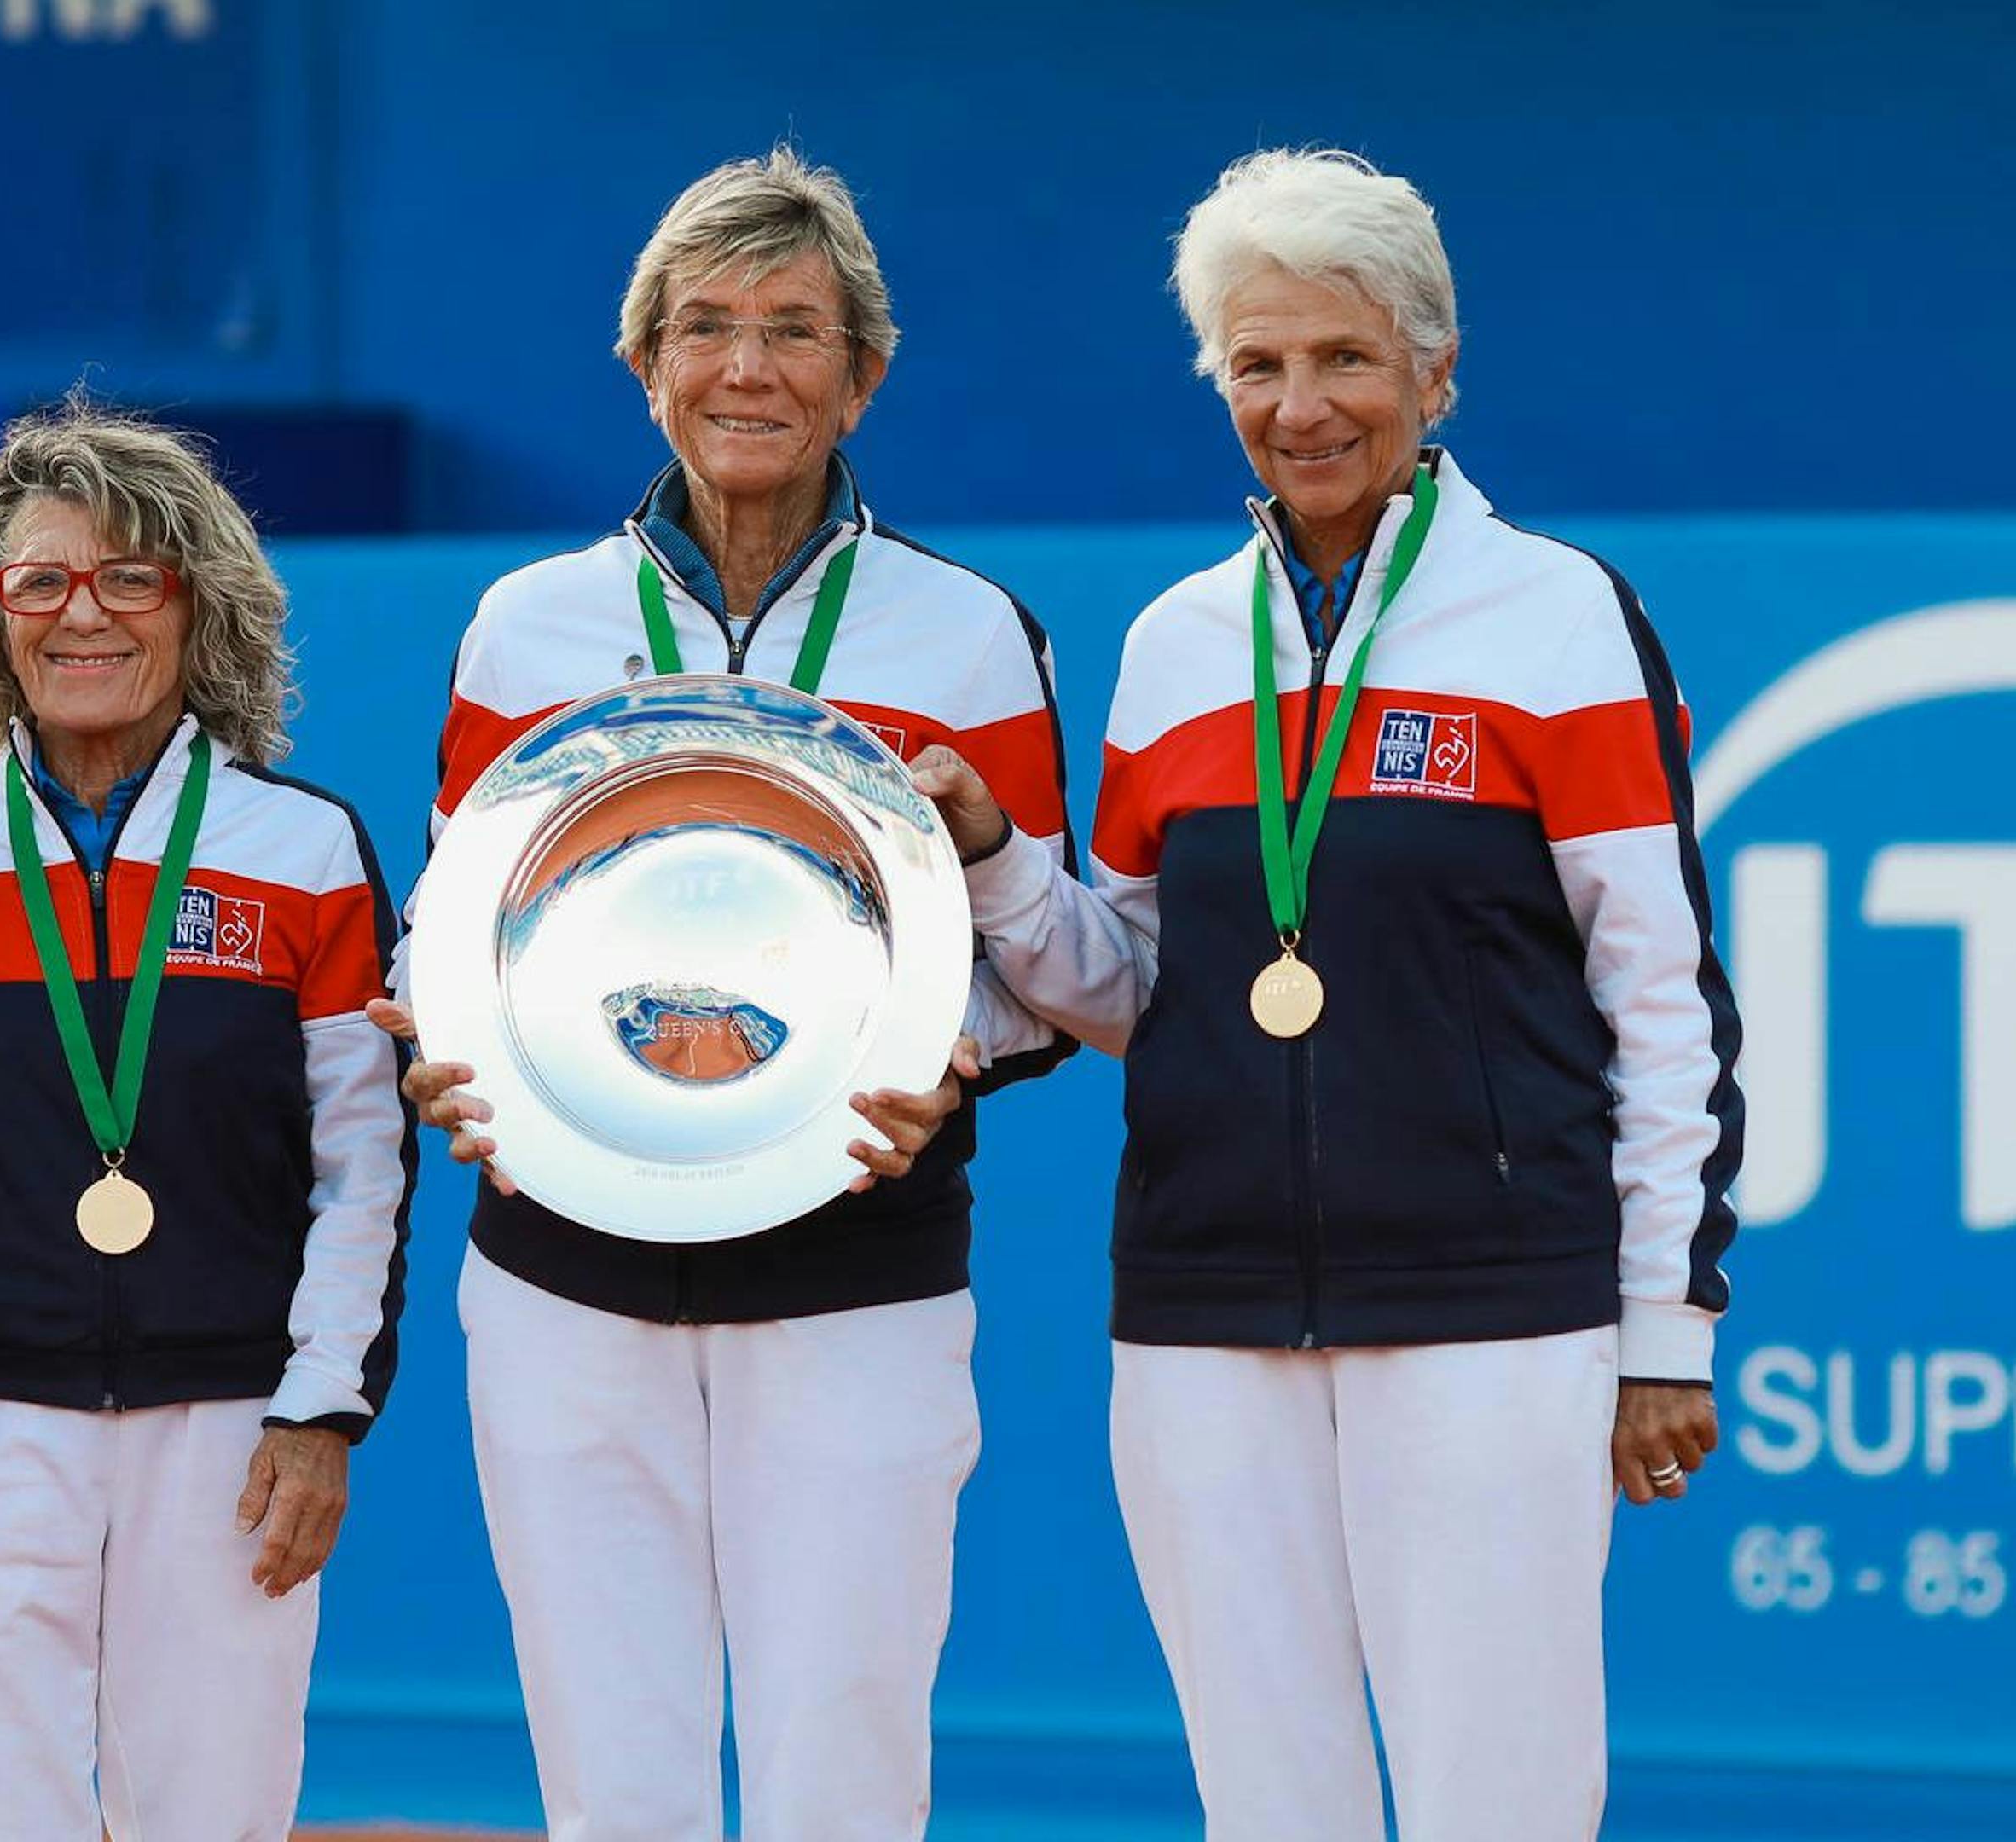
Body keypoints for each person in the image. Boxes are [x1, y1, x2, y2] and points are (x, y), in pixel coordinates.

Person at [914, 148, 1741, 1842]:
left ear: (1435, 373)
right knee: (1266, 1803)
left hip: (1490, 1305)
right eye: (1259, 363)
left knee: (1492, 1800)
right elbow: (1139, 987)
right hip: (1207, 1314)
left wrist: (1665, 1327)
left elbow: (1664, 996)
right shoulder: (1174, 645)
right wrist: (999, 854)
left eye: (1346, 358)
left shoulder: (1559, 617)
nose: (1303, 405)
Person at [373, 147, 1075, 1839]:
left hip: (860, 1275)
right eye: (705, 327)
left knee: (843, 1759)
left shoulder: (970, 635)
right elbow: (452, 931)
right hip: (564, 1280)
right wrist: (435, 1044)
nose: (746, 367)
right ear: (645, 364)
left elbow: (1051, 986)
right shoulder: (524, 630)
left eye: (795, 330)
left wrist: (955, 1052)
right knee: (612, 1776)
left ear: (864, 374)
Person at [0, 400, 414, 1842]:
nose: (87, 616)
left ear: (200, 613)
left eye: (132, 579)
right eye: (43, 581)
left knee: (215, 1817)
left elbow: (362, 1163)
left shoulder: (304, 850)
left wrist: (324, 1404)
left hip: (231, 1427)